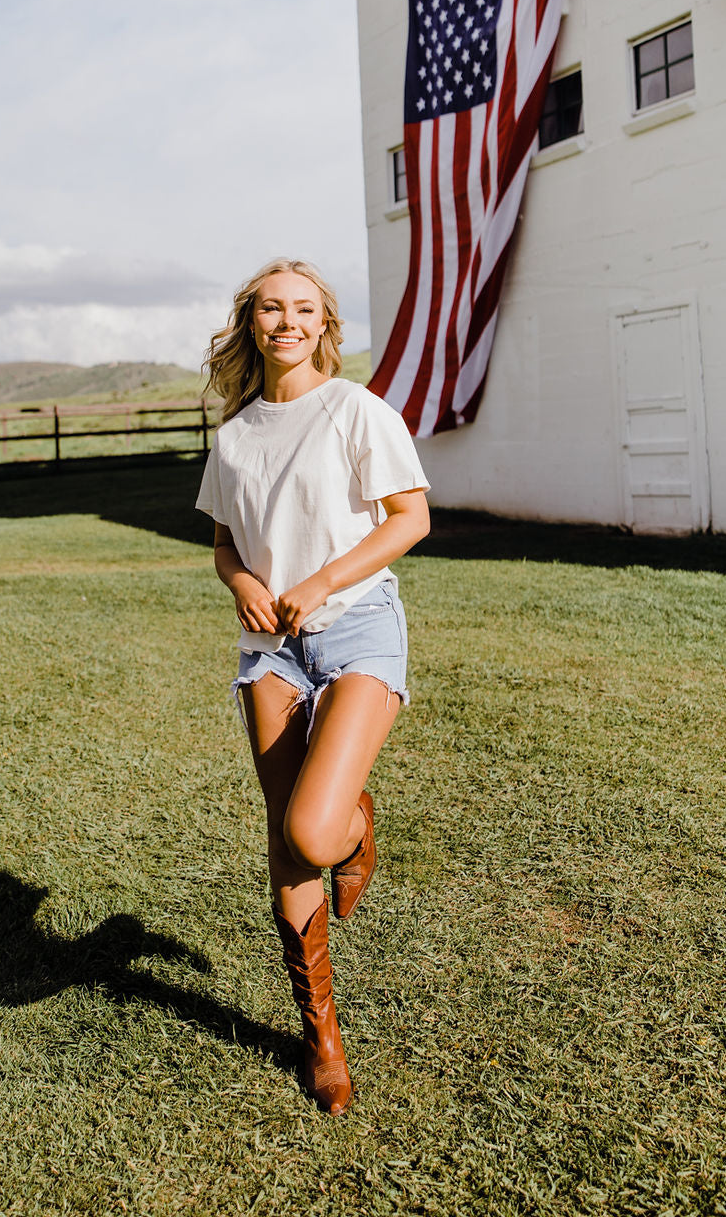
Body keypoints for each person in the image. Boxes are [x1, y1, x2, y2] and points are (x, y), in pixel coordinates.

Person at [196, 258, 430, 1115]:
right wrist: (240, 583)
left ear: (323, 323)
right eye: (271, 308)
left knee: (315, 828)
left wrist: (324, 581)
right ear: (251, 322)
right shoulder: (235, 436)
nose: (286, 322)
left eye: (303, 309)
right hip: (271, 653)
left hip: (358, 627)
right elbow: (226, 543)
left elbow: (411, 518)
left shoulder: (357, 410)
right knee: (288, 843)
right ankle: (321, 1035)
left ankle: (355, 825)